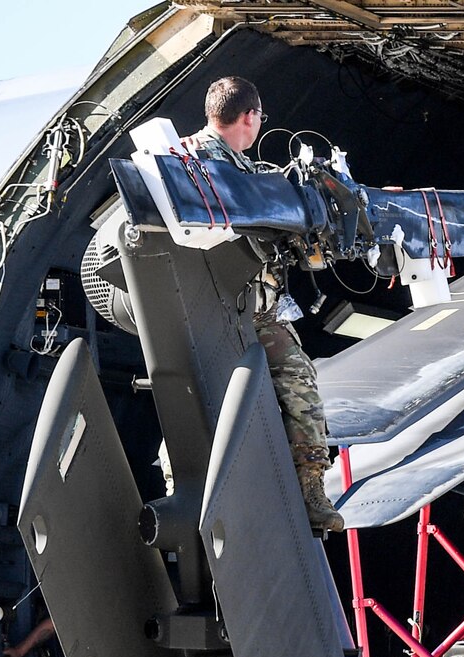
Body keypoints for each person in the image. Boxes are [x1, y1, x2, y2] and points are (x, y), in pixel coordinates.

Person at [182, 74, 344, 535]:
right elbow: (265, 207)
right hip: (245, 309)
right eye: (259, 117)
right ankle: (312, 491)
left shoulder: (189, 156)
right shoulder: (223, 167)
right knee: (298, 378)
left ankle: (184, 481)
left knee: (201, 395)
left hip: (206, 308)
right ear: (250, 117)